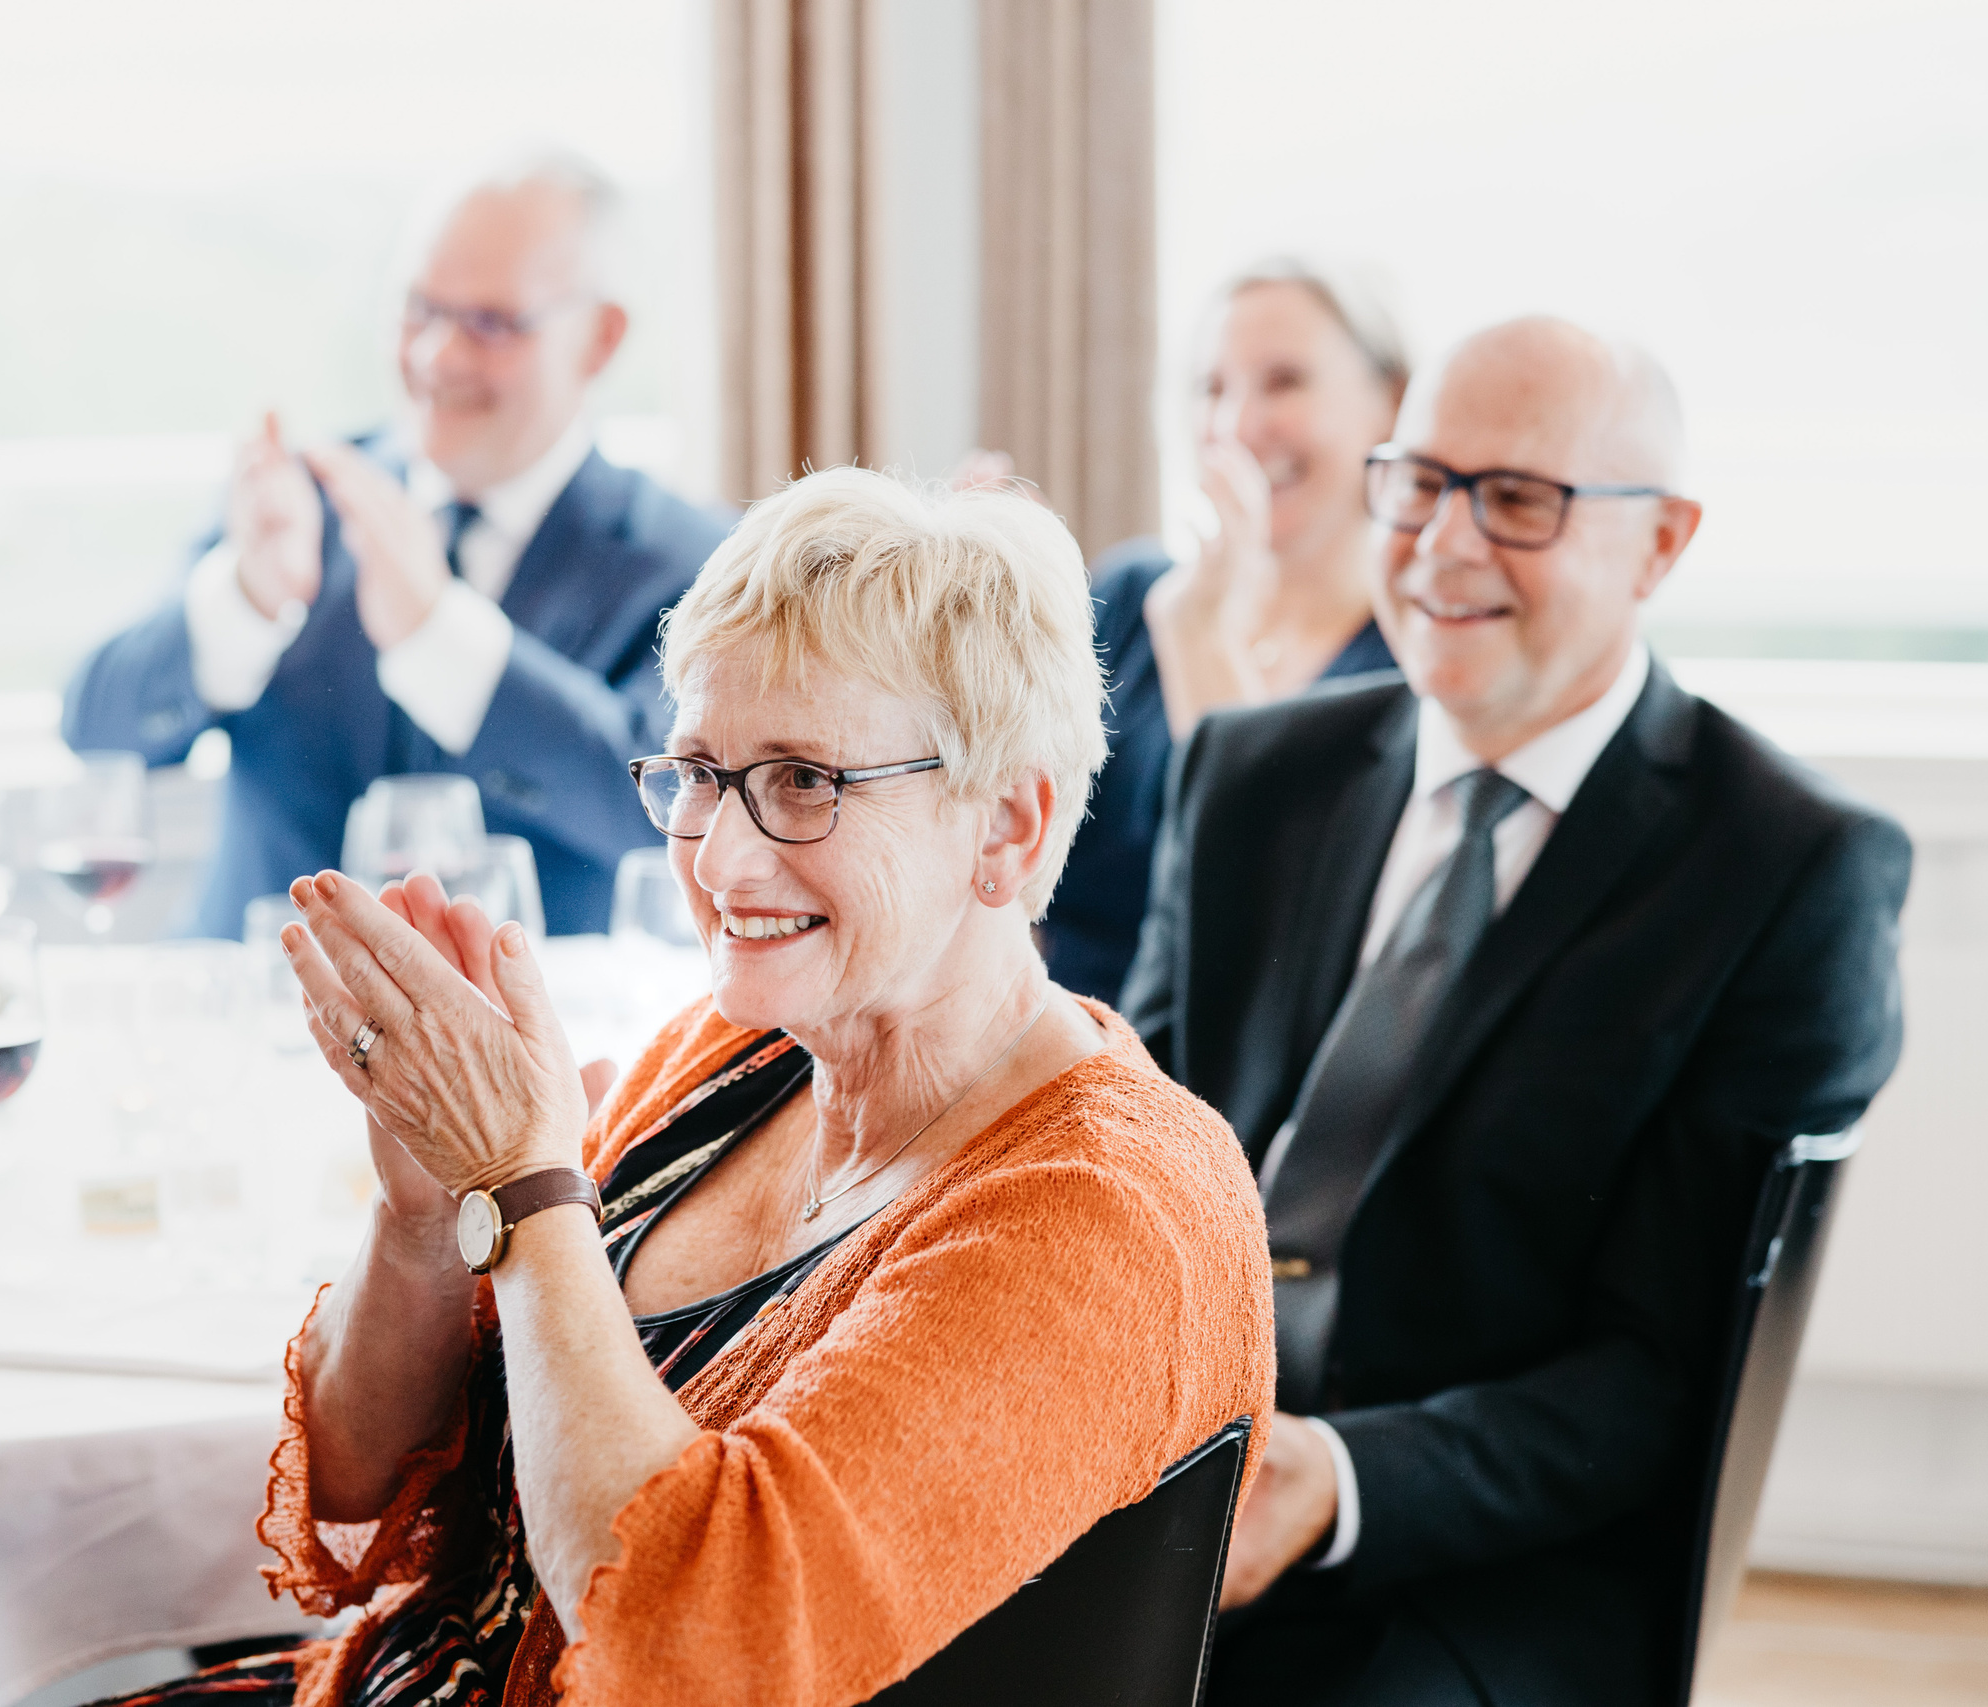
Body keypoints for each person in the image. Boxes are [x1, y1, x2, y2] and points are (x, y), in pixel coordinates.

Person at [105, 469, 1273, 1706]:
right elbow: (360, 1486)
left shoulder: (1106, 1212)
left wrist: (523, 1183)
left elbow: (689, 1644)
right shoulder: (732, 1057)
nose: (718, 858)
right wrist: (422, 1214)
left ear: (1007, 831)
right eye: (700, 774)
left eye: (802, 782)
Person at [1124, 317, 1912, 1706]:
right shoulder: (1252, 773)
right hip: (1165, 1445)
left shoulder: (1791, 868)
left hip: (1475, 1549)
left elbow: (1663, 1374)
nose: (1443, 545)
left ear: (1661, 543)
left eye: (1520, 499)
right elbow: (1132, 1148)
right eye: (1418, 481)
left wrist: (1341, 1476)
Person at [63, 151, 732, 938]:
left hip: (535, 1046)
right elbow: (95, 728)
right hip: (258, 1022)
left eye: (491, 323)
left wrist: (439, 633)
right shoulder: (300, 500)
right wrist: (243, 600)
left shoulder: (698, 564)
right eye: (418, 311)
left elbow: (684, 819)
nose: (436, 357)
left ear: (601, 339)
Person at [1042, 257, 1410, 1002]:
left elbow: (1277, 922)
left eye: (1284, 382)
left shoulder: (1406, 667)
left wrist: (1201, 638)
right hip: (1040, 1046)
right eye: (1213, 389)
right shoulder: (1125, 595)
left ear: (1390, 404)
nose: (1237, 426)